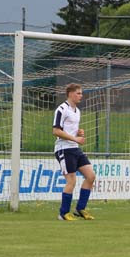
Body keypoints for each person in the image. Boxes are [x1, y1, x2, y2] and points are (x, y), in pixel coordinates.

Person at [52, 83, 96, 221]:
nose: (81, 96)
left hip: (75, 148)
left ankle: (80, 209)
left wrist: (78, 132)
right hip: (64, 149)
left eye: (81, 93)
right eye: (78, 93)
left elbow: (69, 129)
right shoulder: (61, 109)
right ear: (70, 93)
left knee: (91, 176)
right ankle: (63, 213)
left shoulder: (77, 111)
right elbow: (56, 131)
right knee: (71, 180)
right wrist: (75, 138)